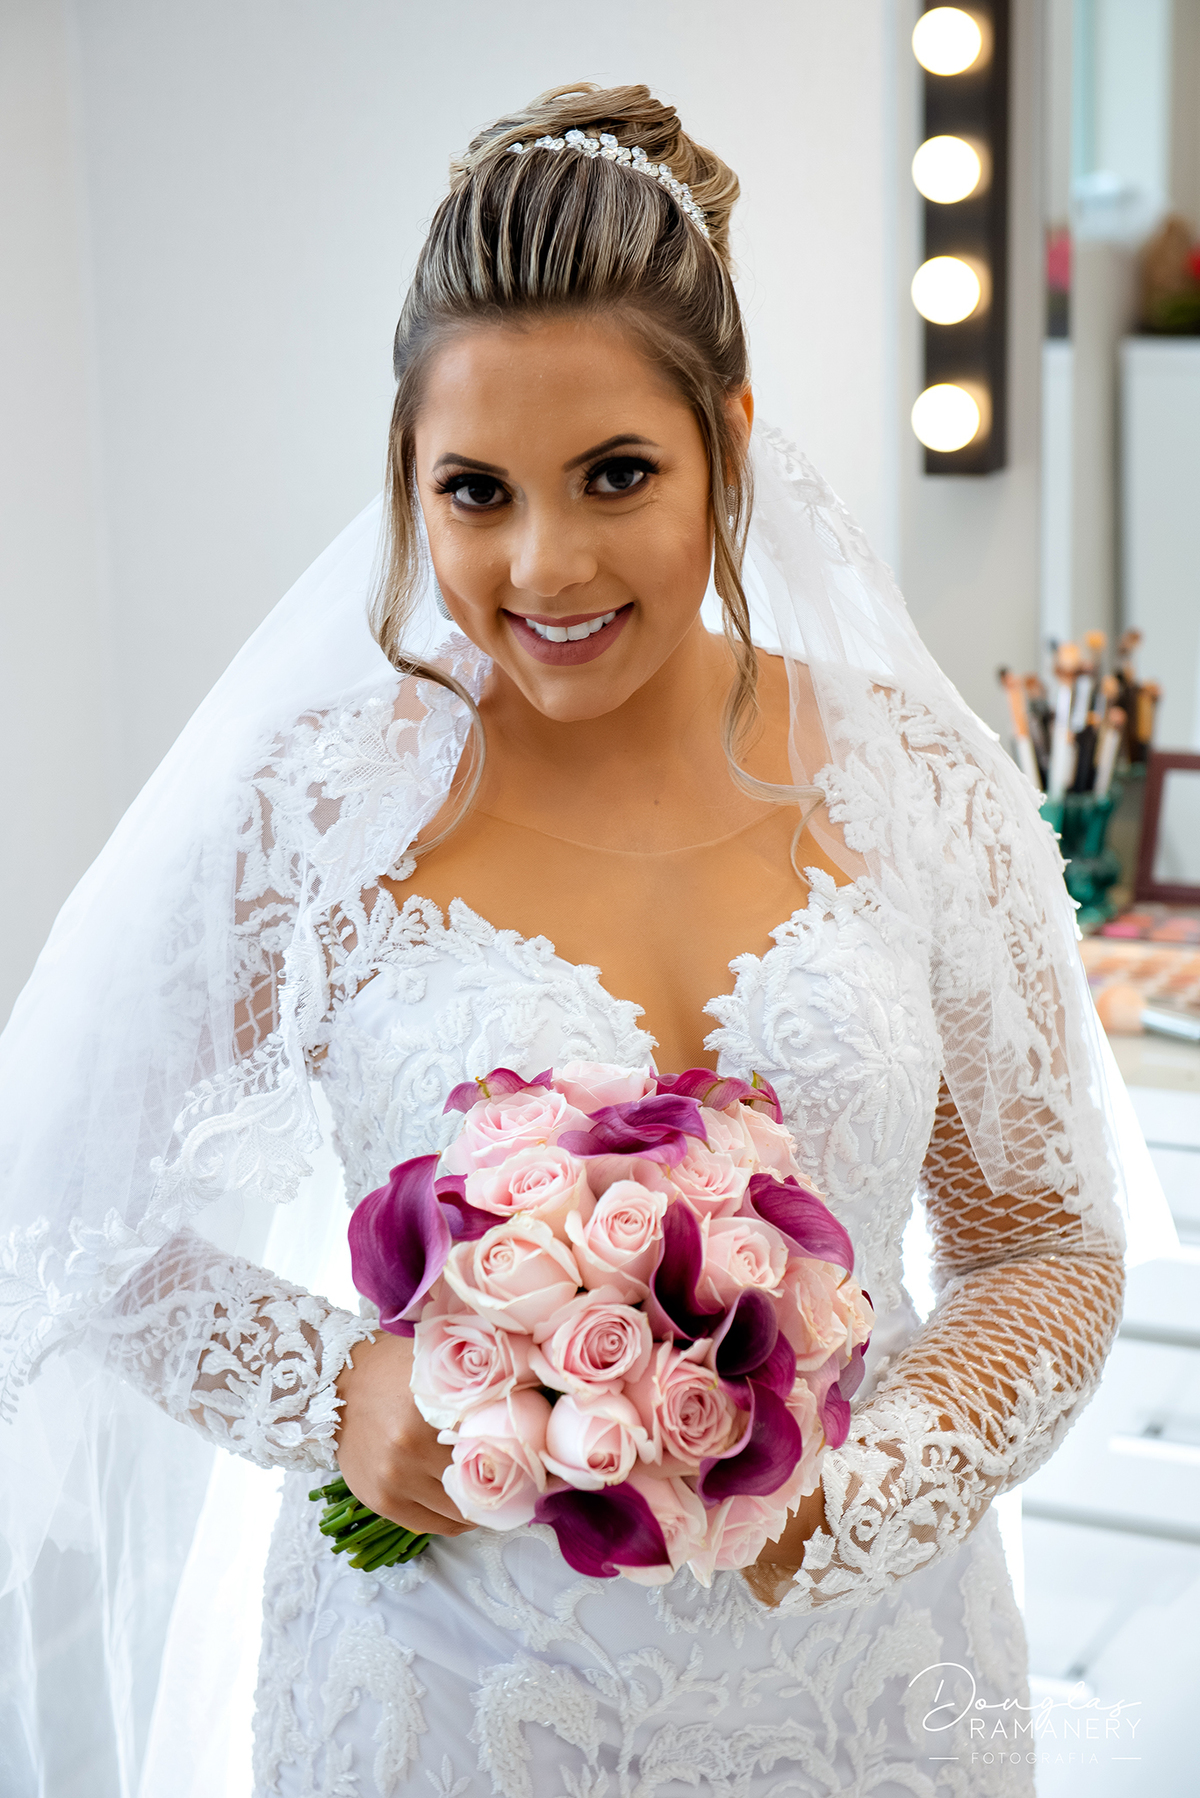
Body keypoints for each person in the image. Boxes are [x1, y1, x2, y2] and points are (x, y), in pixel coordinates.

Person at [0, 82, 1175, 1798]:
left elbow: (1049, 1247)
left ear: (730, 443)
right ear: (408, 482)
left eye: (616, 474)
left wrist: (874, 1486)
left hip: (868, 1698)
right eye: (475, 491)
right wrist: (338, 1388)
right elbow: (66, 1210)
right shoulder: (320, 817)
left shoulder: (921, 783)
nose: (546, 565)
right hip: (443, 1705)